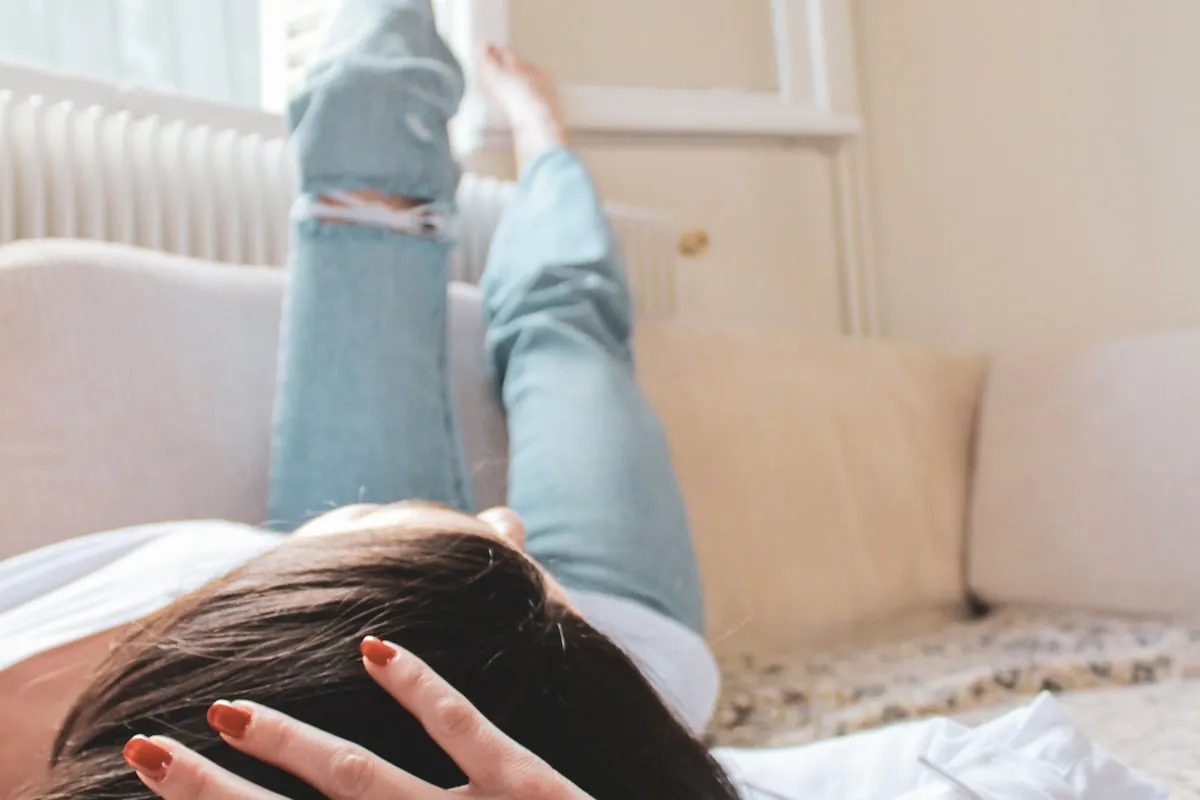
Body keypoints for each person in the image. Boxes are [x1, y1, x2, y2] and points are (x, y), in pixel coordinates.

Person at [0, 1, 738, 798]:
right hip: (611, 661)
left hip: (338, 614)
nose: (506, 524)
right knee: (566, 322)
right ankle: (545, 143)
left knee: (365, 126)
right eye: (502, 546)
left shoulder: (285, 608)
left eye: (494, 544)